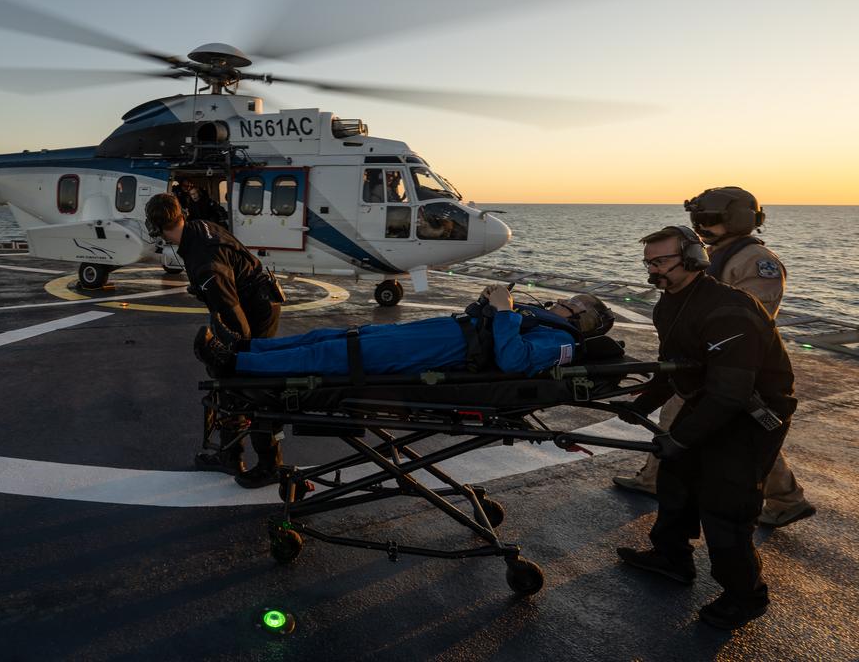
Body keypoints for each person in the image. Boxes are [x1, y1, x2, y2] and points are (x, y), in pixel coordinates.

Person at [616, 225, 795, 631]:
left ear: (694, 259)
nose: (652, 270)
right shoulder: (670, 304)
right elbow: (673, 368)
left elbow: (731, 393)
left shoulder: (728, 309)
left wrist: (680, 437)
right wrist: (641, 405)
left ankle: (744, 597)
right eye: (648, 262)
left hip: (751, 415)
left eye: (660, 262)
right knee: (676, 482)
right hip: (709, 401)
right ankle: (671, 558)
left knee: (725, 506)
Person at [612, 187, 815, 528]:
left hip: (728, 370)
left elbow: (747, 317)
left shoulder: (755, 261)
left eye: (709, 219)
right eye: (700, 218)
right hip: (702, 366)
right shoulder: (712, 253)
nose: (702, 225)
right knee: (688, 426)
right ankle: (655, 481)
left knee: (710, 433)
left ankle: (783, 500)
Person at [144, 192, 286, 488]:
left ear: (158, 229)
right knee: (231, 382)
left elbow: (239, 328)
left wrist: (236, 356)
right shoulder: (199, 227)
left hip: (255, 312)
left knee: (249, 384)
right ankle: (230, 455)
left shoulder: (204, 263)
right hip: (252, 300)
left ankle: (270, 464)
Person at [195, 286, 615, 378]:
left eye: (570, 303)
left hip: (439, 354)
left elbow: (513, 360)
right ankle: (246, 345)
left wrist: (504, 312)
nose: (560, 302)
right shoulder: (545, 321)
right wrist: (493, 304)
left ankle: (234, 363)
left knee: (337, 356)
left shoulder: (562, 341)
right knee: (331, 336)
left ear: (580, 317)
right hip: (437, 334)